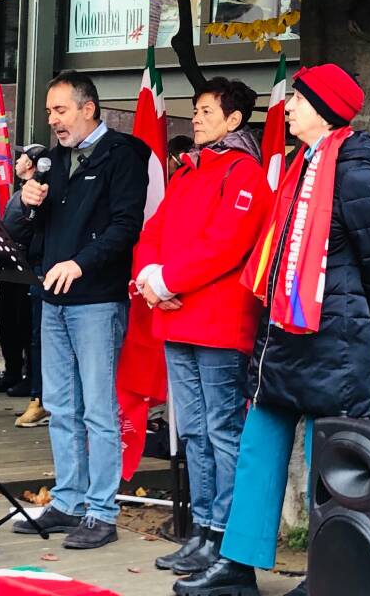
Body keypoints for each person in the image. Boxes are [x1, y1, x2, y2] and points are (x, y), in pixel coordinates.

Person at [174, 64, 370, 596]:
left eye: (299, 99)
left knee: (331, 464)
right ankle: (236, 566)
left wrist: (353, 320)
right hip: (283, 336)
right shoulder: (305, 161)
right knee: (258, 448)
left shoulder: (355, 168)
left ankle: (326, 574)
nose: (290, 107)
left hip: (336, 342)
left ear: (324, 109)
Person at [5, 71, 149, 550]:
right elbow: (27, 231)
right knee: (61, 406)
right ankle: (67, 501)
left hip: (96, 299)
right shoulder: (53, 162)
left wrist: (80, 264)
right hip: (51, 297)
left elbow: (126, 227)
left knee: (98, 410)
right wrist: (27, 204)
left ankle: (102, 511)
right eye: (49, 112)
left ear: (89, 107)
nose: (53, 121)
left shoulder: (123, 156)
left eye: (60, 110)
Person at [134, 78, 271, 576]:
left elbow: (226, 245)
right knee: (193, 431)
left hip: (218, 322)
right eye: (195, 110)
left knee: (221, 431)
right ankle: (202, 531)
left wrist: (166, 280)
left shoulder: (245, 173)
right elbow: (153, 230)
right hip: (178, 316)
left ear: (234, 120)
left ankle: (224, 537)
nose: (195, 117)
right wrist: (150, 276)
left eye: (207, 111)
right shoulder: (191, 170)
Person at [2, 144, 51, 427]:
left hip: (32, 266)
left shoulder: (39, 191)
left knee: (34, 333)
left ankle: (39, 394)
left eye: (22, 156)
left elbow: (19, 227)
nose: (17, 160)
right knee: (19, 328)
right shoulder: (21, 193)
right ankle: (32, 389)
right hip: (17, 265)